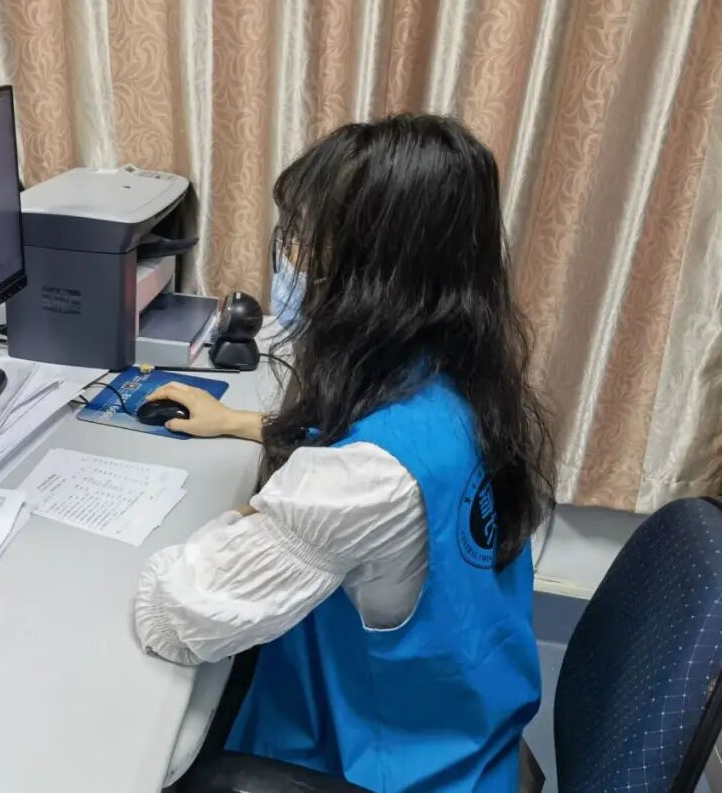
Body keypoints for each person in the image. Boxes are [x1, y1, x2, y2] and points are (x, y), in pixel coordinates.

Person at [134, 115, 554, 792]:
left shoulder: (364, 479)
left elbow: (174, 620)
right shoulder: (463, 383)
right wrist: (241, 423)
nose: (292, 262)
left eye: (307, 242)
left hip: (392, 769)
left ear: (373, 274)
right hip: (468, 732)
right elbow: (377, 450)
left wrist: (248, 517)